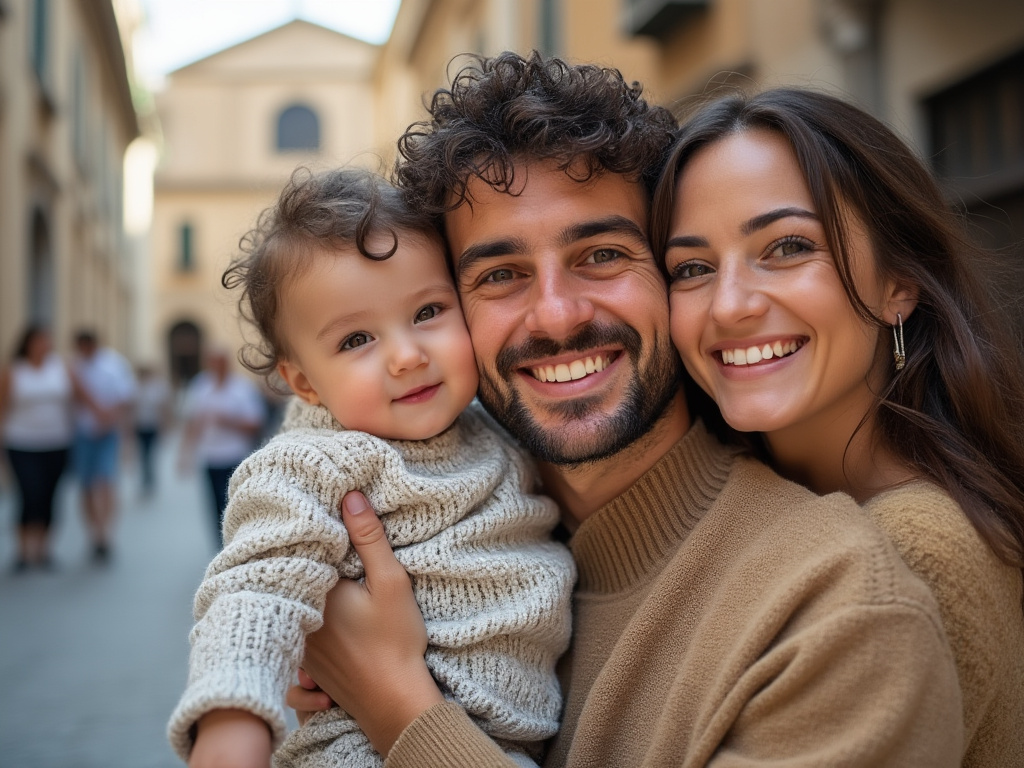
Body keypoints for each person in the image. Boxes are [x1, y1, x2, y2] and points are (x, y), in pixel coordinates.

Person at [286, 52, 964, 766]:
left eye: (603, 255)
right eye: (500, 275)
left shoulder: (838, 614)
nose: (554, 316)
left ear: (672, 281)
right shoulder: (382, 542)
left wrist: (396, 705)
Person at [651, 87, 1024, 766]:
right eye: (693, 268)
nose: (729, 306)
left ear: (899, 283)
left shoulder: (909, 556)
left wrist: (412, 716)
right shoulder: (750, 510)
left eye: (787, 247)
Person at [167, 168, 575, 768]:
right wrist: (232, 724)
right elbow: (254, 590)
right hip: (361, 749)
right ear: (304, 382)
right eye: (357, 340)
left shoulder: (498, 430)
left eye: (429, 311)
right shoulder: (310, 464)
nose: (408, 356)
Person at [0, 326, 74, 570]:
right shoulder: (14, 371)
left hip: (57, 442)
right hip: (21, 443)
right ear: (28, 344)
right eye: (39, 341)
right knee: (29, 493)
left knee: (50, 496)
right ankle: (23, 551)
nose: (45, 345)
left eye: (47, 340)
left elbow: (80, 400)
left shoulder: (60, 368)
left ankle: (43, 550)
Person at [177, 346, 264, 548]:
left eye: (219, 361)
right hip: (210, 456)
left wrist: (229, 421)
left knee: (235, 505)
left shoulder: (242, 388)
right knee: (215, 506)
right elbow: (193, 422)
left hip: (236, 456)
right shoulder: (200, 386)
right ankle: (221, 547)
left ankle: (238, 543)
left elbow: (255, 423)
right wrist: (185, 454)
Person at [72, 329, 136, 561]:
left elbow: (125, 397)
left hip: (108, 433)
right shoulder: (74, 367)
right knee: (87, 485)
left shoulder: (113, 364)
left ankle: (106, 533)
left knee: (106, 482)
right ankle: (94, 533)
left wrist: (109, 418)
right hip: (82, 433)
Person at [133, 364, 172, 498]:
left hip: (153, 426)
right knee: (143, 455)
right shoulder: (136, 387)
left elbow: (163, 408)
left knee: (150, 454)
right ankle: (146, 480)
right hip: (140, 426)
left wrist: (164, 427)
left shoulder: (156, 387)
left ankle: (150, 480)